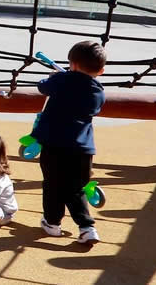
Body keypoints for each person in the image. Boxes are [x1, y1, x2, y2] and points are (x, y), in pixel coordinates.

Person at [36, 40, 106, 244]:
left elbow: (43, 87)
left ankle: (52, 222)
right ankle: (87, 227)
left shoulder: (62, 81)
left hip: (54, 145)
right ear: (101, 70)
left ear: (72, 64)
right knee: (75, 188)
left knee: (53, 184)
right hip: (83, 150)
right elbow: (94, 107)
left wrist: (54, 77)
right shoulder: (98, 91)